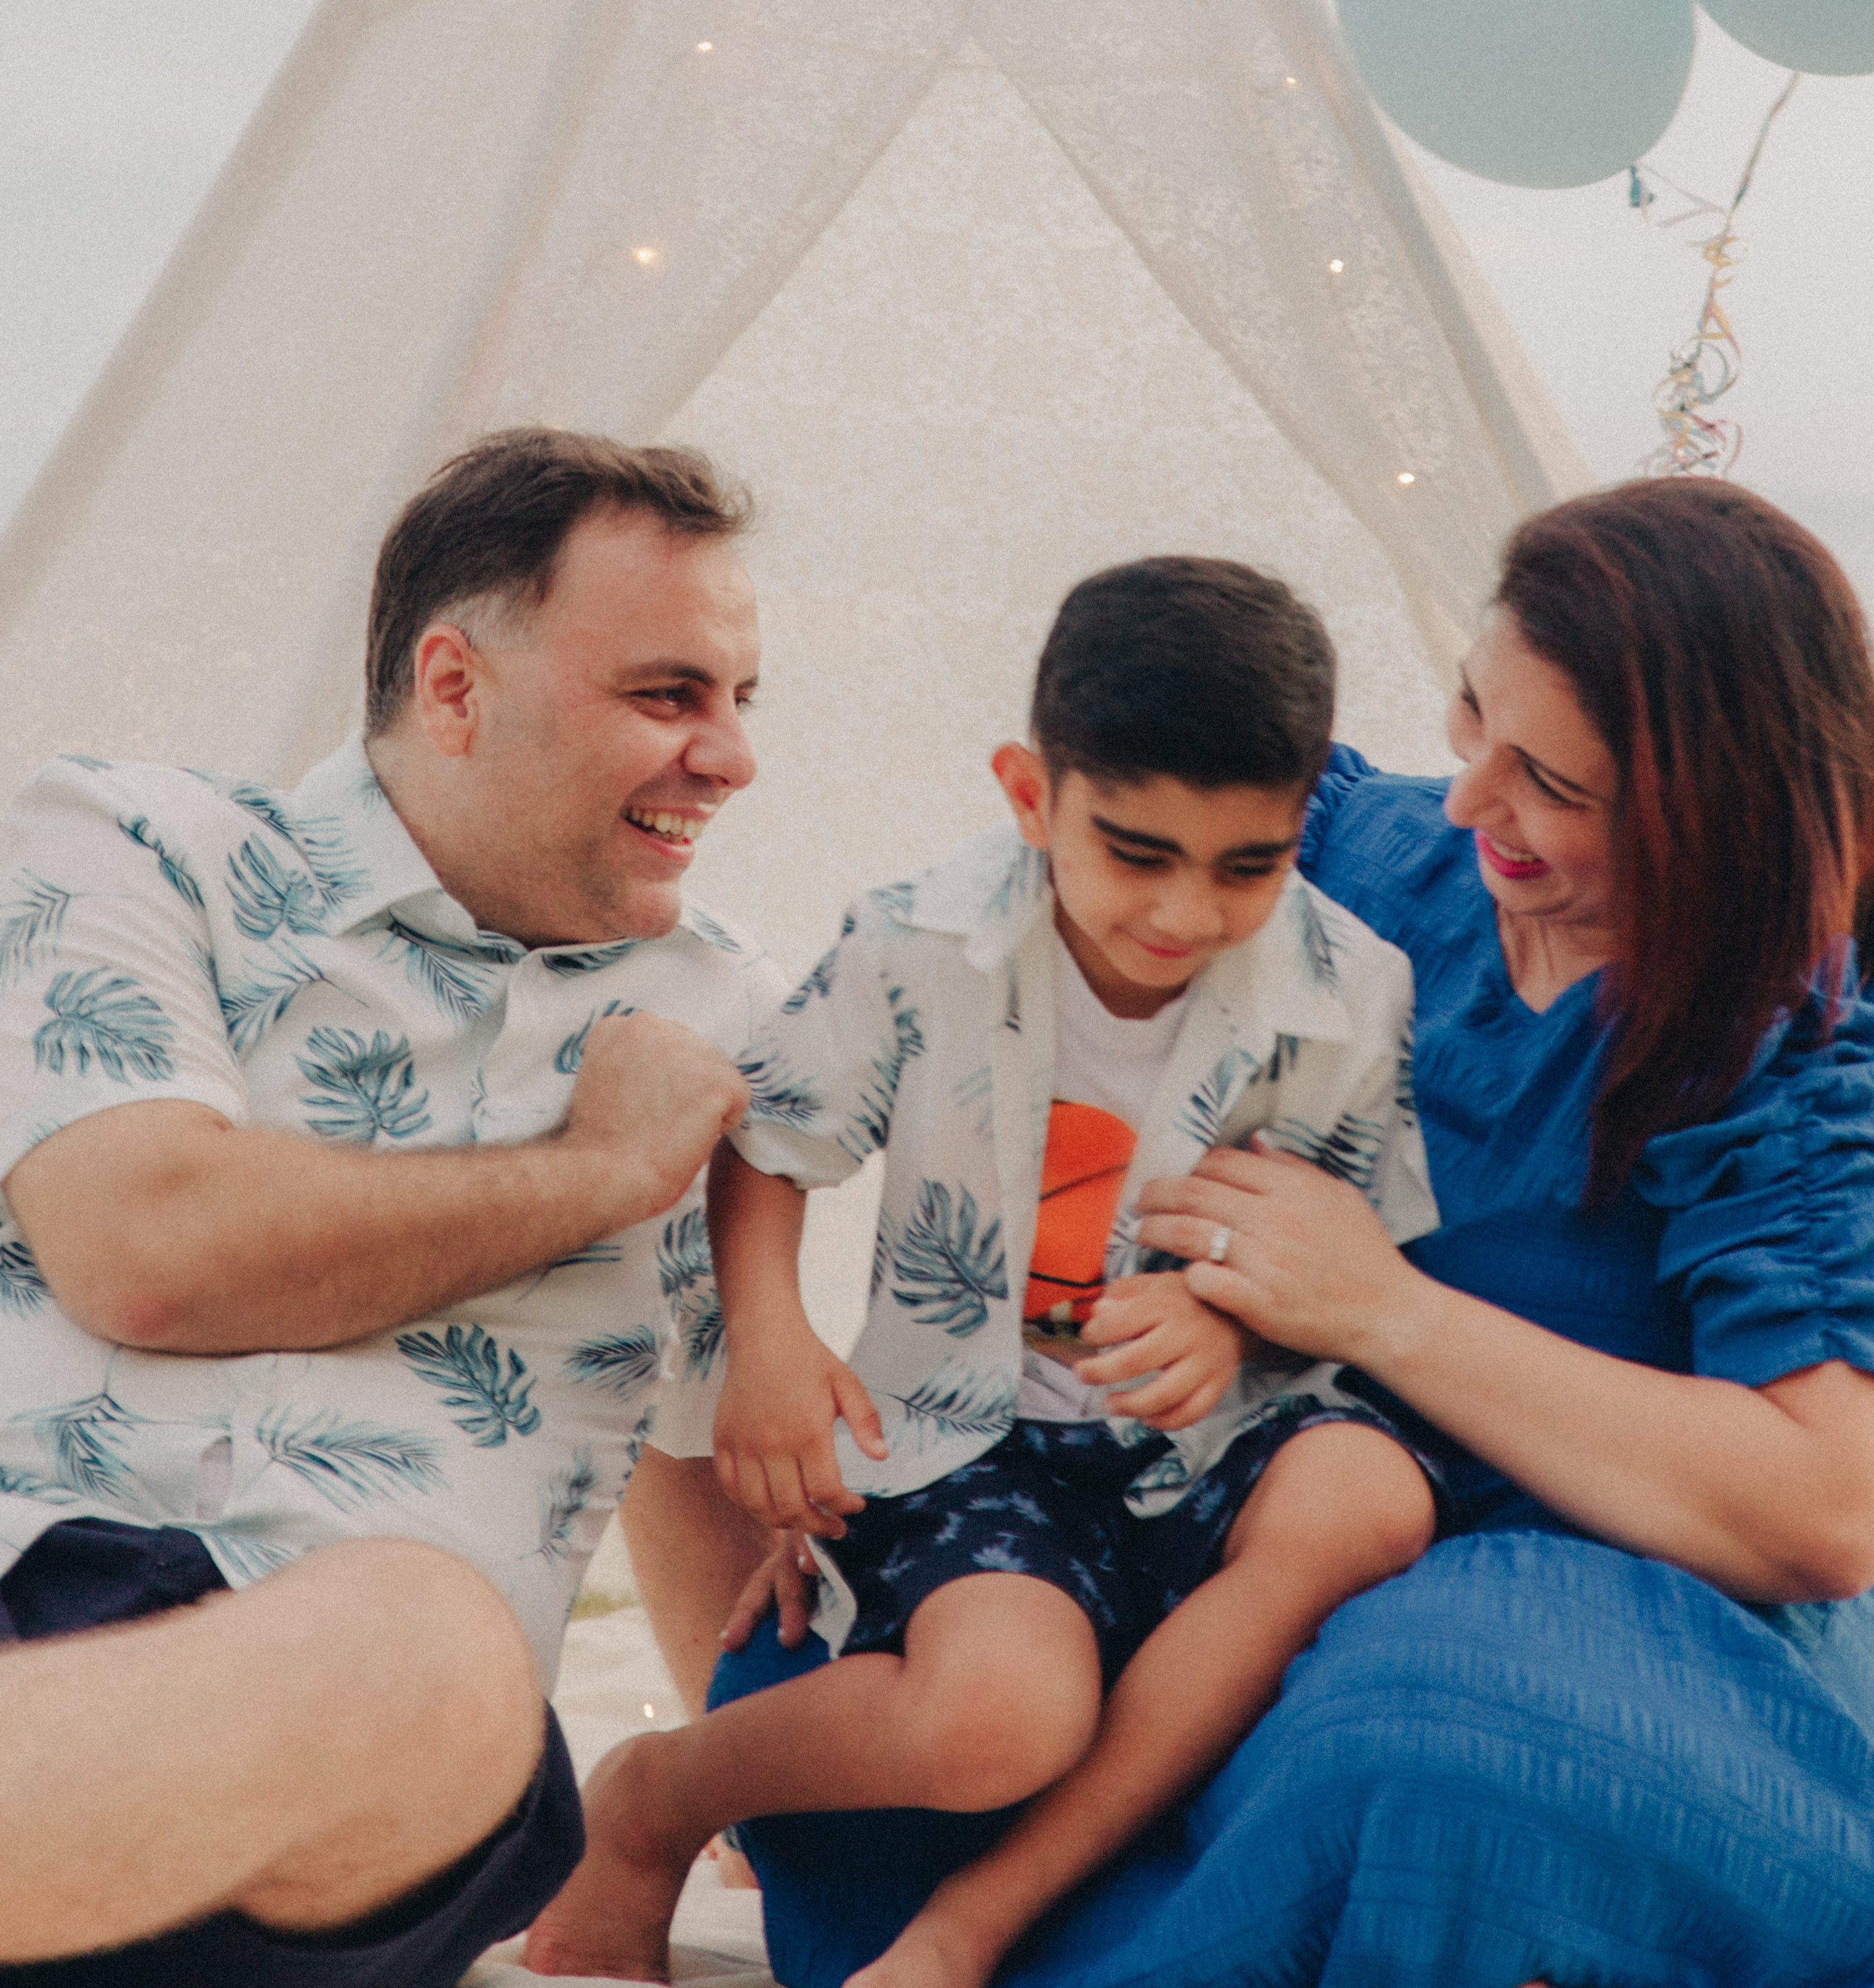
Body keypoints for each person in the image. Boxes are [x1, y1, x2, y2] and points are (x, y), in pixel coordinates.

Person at [709, 478, 1874, 1988]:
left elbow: (1823, 1515)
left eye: (1553, 789)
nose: (1472, 804)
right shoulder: (1342, 861)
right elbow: (1000, 997)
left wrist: (1383, 1312)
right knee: (879, 1687)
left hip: (1699, 1617)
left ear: (1709, 809)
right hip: (1282, 1498)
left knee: (1438, 1738)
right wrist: (882, 1406)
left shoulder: (1797, 1050)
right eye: (1471, 721)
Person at [0, 426, 777, 1986]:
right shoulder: (136, 843)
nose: (729, 755)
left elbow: (711, 1441)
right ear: (454, 687)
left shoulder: (738, 1034)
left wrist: (757, 1797)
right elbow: (149, 1254)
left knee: (426, 1647)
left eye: (738, 701)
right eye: (667, 695)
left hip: (364, 1722)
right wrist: (599, 1174)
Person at [527, 556, 1442, 1982]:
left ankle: (972, 1932)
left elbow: (1340, 1241)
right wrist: (771, 1342)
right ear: (1031, 795)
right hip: (983, 1445)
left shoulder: (1347, 989)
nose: (1185, 913)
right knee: (1001, 1720)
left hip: (1214, 1443)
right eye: (1136, 852)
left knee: (1372, 1488)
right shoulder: (922, 941)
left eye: (1245, 865)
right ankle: (656, 1799)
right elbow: (771, 1139)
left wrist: (1226, 1323)